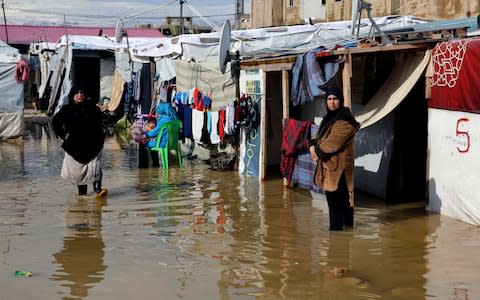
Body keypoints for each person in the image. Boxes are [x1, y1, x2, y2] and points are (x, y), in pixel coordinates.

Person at [309, 87, 360, 231]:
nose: (332, 102)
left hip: (338, 169)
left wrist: (316, 151)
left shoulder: (344, 120)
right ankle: (346, 236)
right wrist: (312, 145)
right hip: (332, 167)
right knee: (342, 201)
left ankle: (336, 237)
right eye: (329, 99)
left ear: (341, 100)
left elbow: (331, 144)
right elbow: (318, 138)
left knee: (335, 203)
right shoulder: (329, 118)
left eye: (335, 99)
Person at [52, 86, 107, 197]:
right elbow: (55, 122)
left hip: (93, 144)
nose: (79, 95)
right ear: (72, 96)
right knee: (78, 172)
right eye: (77, 93)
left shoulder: (93, 108)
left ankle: (98, 191)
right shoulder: (67, 109)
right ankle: (82, 195)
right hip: (75, 145)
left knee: (95, 167)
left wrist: (101, 136)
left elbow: (102, 123)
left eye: (82, 92)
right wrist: (63, 135)